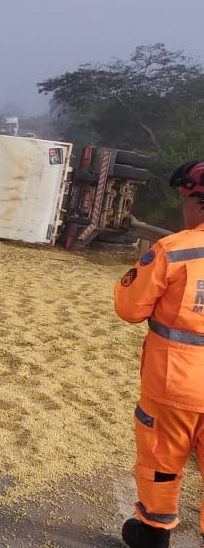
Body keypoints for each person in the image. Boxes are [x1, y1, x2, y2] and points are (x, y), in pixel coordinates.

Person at [115, 159, 204, 548]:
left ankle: (153, 533)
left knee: (162, 463)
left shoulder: (174, 251)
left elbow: (130, 309)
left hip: (175, 386)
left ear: (196, 202)